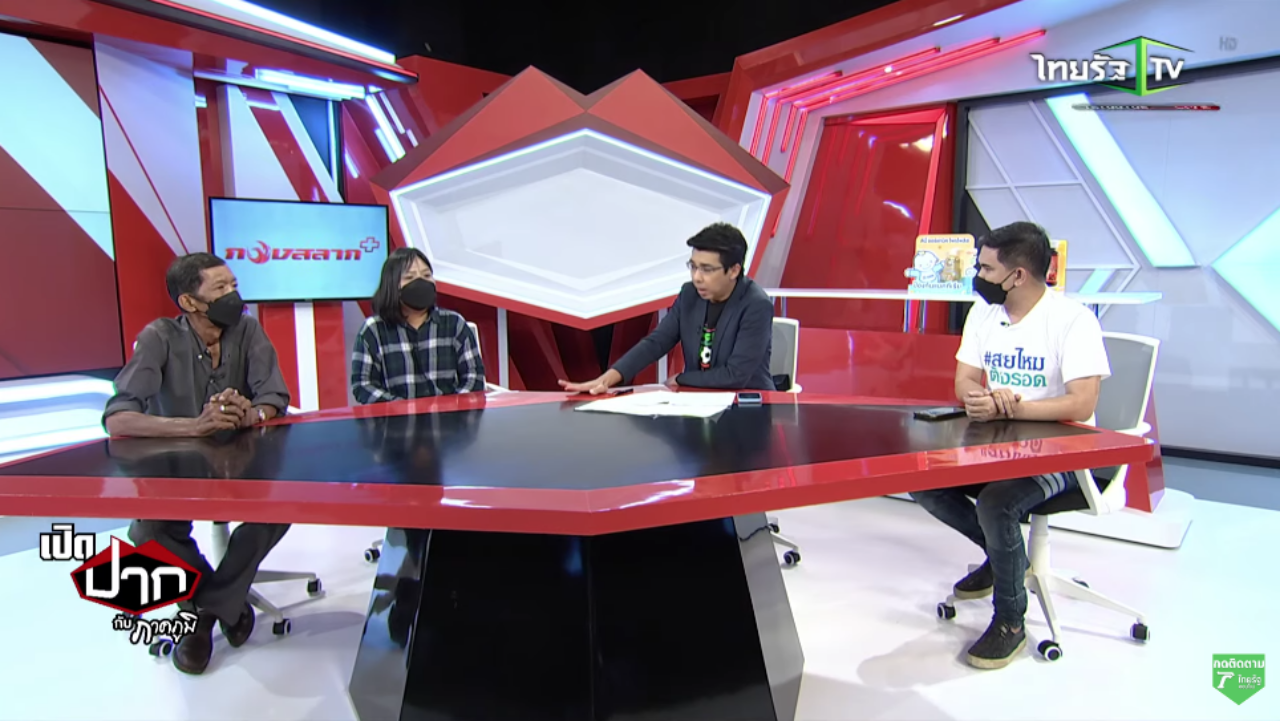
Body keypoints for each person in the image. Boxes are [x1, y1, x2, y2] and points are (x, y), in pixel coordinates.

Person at [908, 221, 1111, 670]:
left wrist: (1013, 409)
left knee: (997, 503)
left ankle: (1010, 621)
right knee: (922, 480)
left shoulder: (1073, 320)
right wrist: (978, 398)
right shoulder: (984, 314)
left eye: (985, 268)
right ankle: (1005, 559)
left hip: (1068, 454)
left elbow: (1083, 403)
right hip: (997, 445)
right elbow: (964, 380)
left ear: (1017, 275)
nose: (977, 276)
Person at [102, 252, 293, 675]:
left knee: (281, 508)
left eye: (234, 285)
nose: (233, 295)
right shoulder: (160, 337)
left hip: (244, 463)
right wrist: (194, 426)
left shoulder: (248, 330)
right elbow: (118, 418)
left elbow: (275, 397)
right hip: (177, 467)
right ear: (189, 302)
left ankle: (203, 616)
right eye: (220, 288)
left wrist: (252, 414)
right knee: (148, 531)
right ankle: (226, 606)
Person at [559, 222, 774, 394]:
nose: (697, 277)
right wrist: (607, 379)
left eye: (707, 269)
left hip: (748, 404)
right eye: (693, 267)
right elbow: (656, 342)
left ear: (734, 270)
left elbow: (735, 376)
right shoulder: (690, 294)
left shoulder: (756, 305)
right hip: (696, 401)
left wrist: (681, 378)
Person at [351, 247, 485, 404]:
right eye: (410, 277)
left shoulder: (455, 324)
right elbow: (363, 385)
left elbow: (474, 378)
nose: (421, 282)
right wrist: (401, 408)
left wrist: (451, 408)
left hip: (450, 417)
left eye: (427, 275)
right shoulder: (373, 330)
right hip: (396, 418)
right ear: (392, 285)